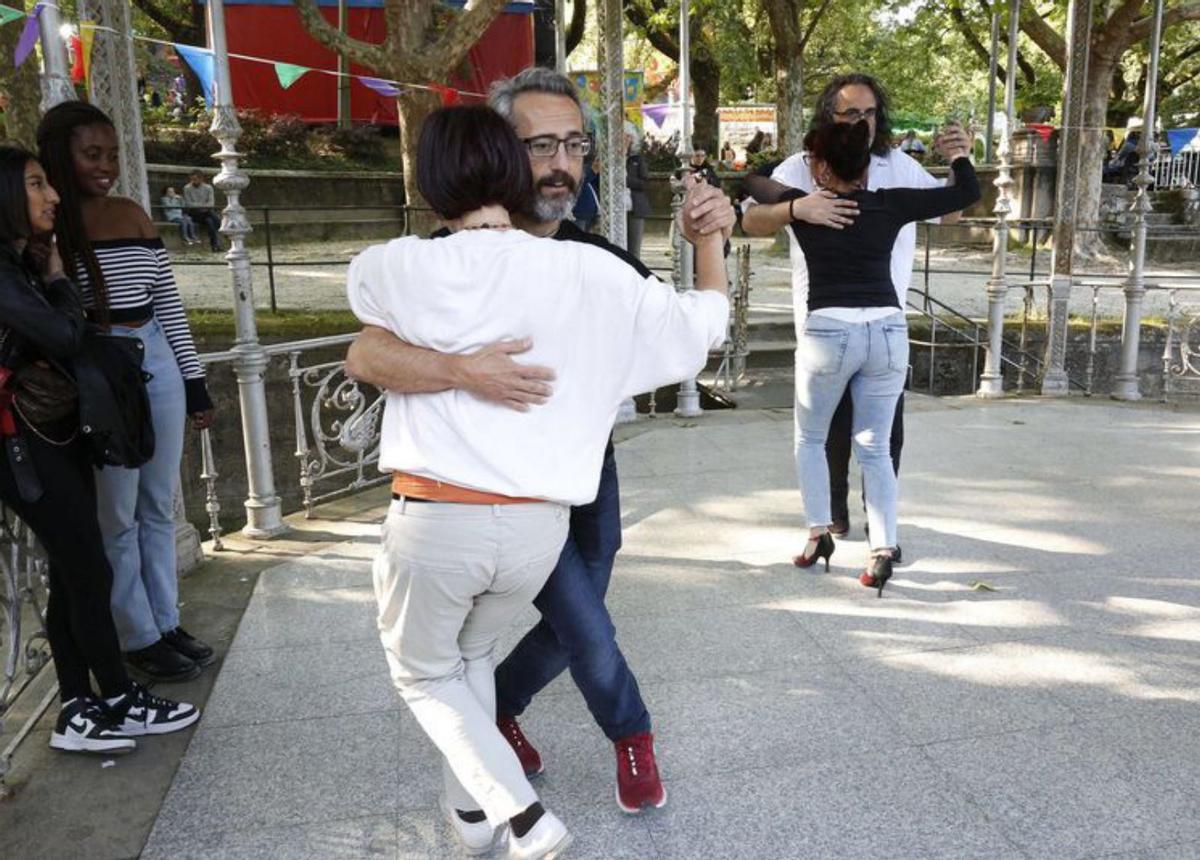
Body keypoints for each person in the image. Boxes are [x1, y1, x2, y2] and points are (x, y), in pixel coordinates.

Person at [345, 68, 735, 817]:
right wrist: (461, 371)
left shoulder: (596, 262)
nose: (563, 164)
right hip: (483, 498)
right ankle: (620, 740)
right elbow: (364, 356)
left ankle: (488, 750)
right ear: (495, 153)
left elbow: (685, 332)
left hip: (577, 482)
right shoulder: (438, 257)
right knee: (583, 625)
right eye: (540, 145)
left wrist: (707, 237)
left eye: (575, 145)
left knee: (534, 631)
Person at [0, 145, 200, 754]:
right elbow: (65, 333)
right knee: (88, 566)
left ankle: (79, 709)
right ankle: (114, 696)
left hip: (40, 436)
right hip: (20, 445)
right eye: (36, 184)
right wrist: (61, 280)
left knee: (73, 569)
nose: (52, 195)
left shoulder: (16, 262)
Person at [745, 119, 979, 594]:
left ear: (822, 168)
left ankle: (818, 535)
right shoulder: (891, 202)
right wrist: (958, 155)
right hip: (888, 331)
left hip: (828, 332)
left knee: (811, 439)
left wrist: (796, 204)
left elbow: (748, 182)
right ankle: (883, 548)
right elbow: (964, 193)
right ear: (868, 169)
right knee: (875, 446)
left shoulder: (810, 209)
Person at [37, 101, 216, 683]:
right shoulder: (51, 228)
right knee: (116, 515)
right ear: (62, 155)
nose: (106, 165)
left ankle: (165, 621)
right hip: (98, 371)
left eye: (111, 154)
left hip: (155, 359)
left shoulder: (133, 214)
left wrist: (194, 384)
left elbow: (168, 307)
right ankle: (137, 634)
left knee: (157, 505)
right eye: (92, 154)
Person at [181, 172, 222, 251]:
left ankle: (214, 246)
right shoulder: (187, 188)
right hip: (194, 213)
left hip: (206, 212)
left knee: (210, 222)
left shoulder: (208, 188)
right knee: (211, 215)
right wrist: (202, 205)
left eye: (195, 179)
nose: (193, 181)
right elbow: (188, 203)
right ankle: (221, 227)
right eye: (192, 179)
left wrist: (202, 206)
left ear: (201, 179)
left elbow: (211, 203)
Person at [625, 131, 651, 259]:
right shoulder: (609, 159)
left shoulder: (637, 159)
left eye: (627, 136)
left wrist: (626, 180)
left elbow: (645, 183)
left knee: (634, 251)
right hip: (614, 210)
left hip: (634, 208)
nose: (624, 139)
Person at [572, 157, 600, 232]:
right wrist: (593, 171)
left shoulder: (589, 173)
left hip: (591, 215)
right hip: (580, 215)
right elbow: (581, 181)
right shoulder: (579, 172)